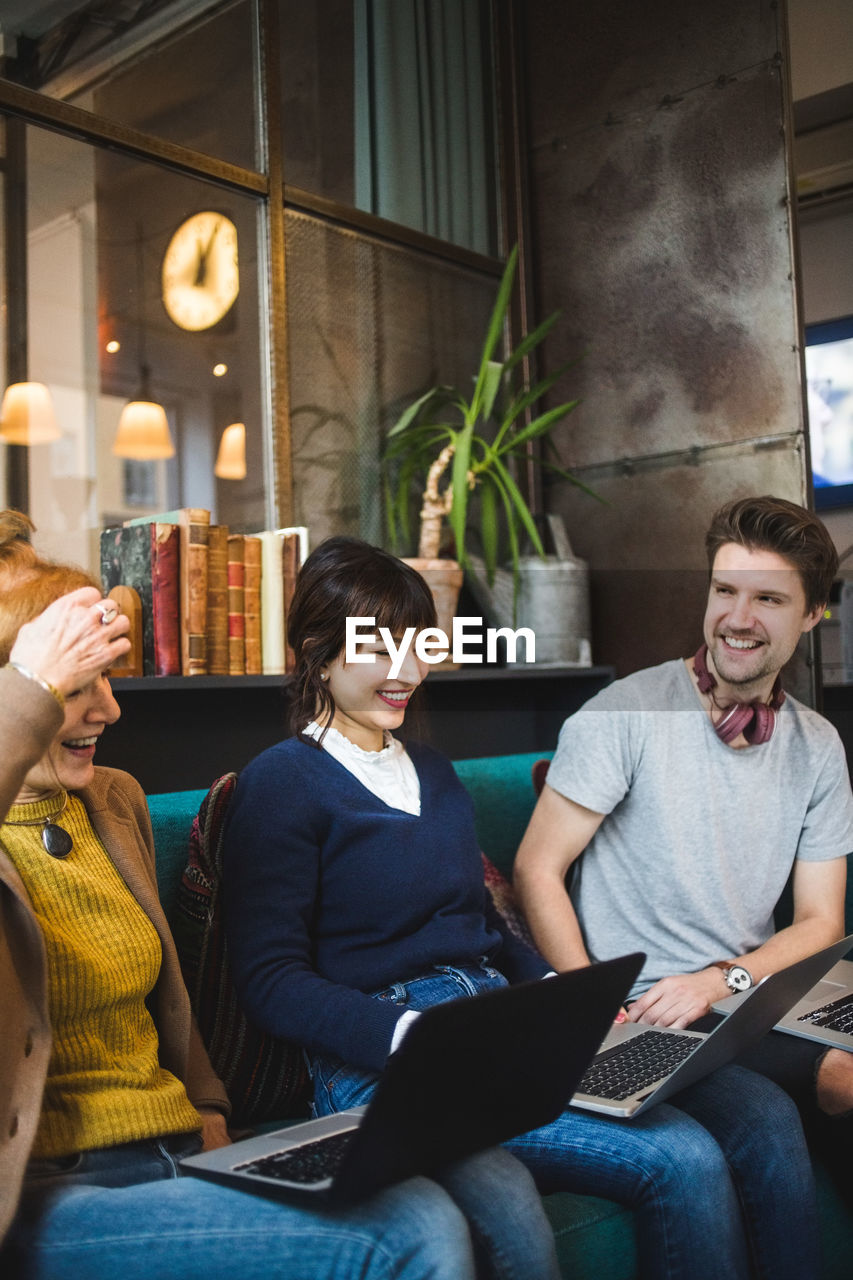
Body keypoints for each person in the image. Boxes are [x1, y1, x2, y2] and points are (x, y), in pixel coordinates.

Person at [222, 532, 823, 1280]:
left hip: (494, 1025)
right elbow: (270, 980)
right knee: (677, 1162)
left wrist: (558, 994)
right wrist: (409, 1032)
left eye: (417, 646)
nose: (407, 672)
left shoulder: (433, 773)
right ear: (315, 648)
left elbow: (480, 930)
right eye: (379, 648)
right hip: (379, 1058)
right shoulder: (281, 784)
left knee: (700, 1146)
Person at [0, 510, 559, 1280]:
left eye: (106, 676)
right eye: (71, 684)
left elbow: (170, 998)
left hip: (181, 1145)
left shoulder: (109, 799)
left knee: (474, 1193)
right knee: (411, 1226)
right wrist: (28, 691)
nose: (111, 708)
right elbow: (274, 979)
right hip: (58, 1184)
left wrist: (213, 1114)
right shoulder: (282, 782)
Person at [513, 494, 853, 1156]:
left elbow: (820, 922)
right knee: (841, 1074)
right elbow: (537, 867)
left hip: (748, 995)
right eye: (724, 590)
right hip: (650, 1008)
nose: (736, 618)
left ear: (811, 614)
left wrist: (724, 978)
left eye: (768, 599)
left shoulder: (816, 744)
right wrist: (591, 1000)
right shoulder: (622, 715)